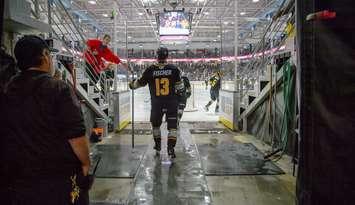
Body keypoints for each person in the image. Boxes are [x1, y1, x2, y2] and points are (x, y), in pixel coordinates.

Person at [0, 35, 91, 205]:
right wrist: (85, 163)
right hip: (57, 178)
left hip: (20, 177)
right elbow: (76, 135)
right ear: (44, 56)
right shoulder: (58, 89)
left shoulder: (9, 88)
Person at [129, 47, 184, 158]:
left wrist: (132, 85)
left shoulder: (150, 70)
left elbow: (139, 83)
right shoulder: (174, 69)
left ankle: (158, 145)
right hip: (171, 103)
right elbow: (180, 87)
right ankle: (170, 149)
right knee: (173, 127)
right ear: (167, 56)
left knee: (155, 126)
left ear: (157, 56)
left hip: (157, 104)